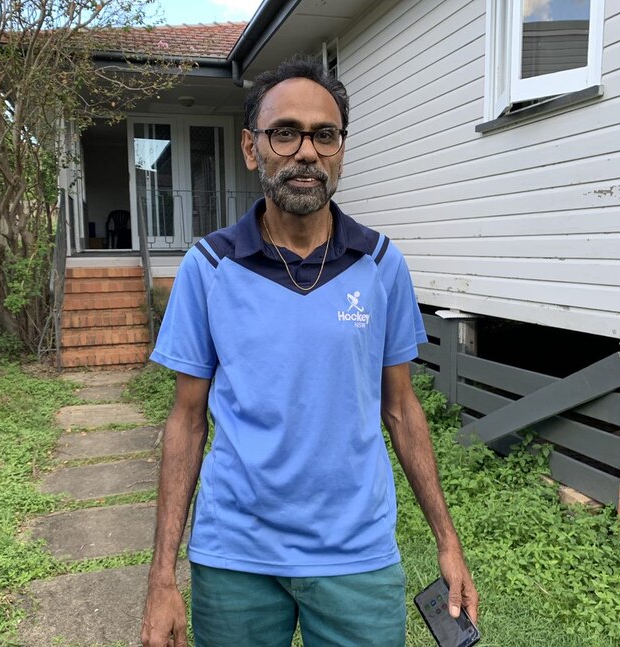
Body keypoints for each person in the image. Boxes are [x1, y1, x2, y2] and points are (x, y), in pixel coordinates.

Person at [140, 56, 478, 647]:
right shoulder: (211, 267)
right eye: (285, 133)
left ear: (341, 148)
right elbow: (187, 420)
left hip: (358, 555)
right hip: (235, 555)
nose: (306, 152)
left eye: (325, 135)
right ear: (252, 148)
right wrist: (162, 576)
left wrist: (448, 542)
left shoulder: (380, 264)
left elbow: (400, 409)